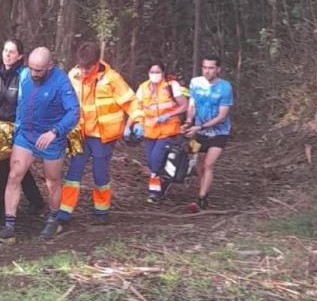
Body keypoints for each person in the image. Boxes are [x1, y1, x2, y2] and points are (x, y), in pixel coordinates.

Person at [43, 41, 136, 239]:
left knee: (99, 172)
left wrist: (136, 122)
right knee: (73, 173)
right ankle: (64, 212)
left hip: (103, 135)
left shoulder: (111, 78)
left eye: (88, 68)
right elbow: (63, 101)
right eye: (81, 67)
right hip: (80, 134)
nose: (84, 72)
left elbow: (130, 101)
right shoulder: (73, 75)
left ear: (96, 64)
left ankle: (101, 212)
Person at [0, 47, 79, 244]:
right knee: (14, 175)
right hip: (26, 135)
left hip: (51, 137)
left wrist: (56, 131)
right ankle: (9, 228)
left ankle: (54, 219)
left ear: (50, 66)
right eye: (31, 68)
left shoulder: (61, 81)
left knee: (52, 181)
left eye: (39, 70)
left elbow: (74, 112)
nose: (34, 73)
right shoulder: (23, 74)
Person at [0, 39, 47, 222]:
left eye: (12, 52)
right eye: (5, 50)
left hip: (18, 128)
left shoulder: (25, 75)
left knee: (4, 166)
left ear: (20, 56)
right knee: (17, 167)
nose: (7, 54)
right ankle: (37, 203)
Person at [127, 62, 188, 203]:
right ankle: (163, 181)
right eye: (152, 71)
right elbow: (136, 109)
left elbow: (184, 105)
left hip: (167, 131)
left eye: (157, 71)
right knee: (151, 162)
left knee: (155, 162)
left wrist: (169, 115)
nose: (155, 74)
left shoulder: (171, 86)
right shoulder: (143, 88)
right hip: (149, 131)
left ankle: (153, 192)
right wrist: (129, 125)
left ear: (163, 72)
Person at [183, 54, 234, 212]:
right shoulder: (195, 83)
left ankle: (201, 198)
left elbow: (221, 116)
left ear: (218, 69)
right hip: (200, 131)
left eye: (211, 68)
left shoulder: (225, 87)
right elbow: (192, 104)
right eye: (204, 67)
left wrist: (200, 127)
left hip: (219, 131)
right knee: (200, 165)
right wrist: (188, 122)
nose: (207, 71)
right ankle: (203, 191)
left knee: (209, 164)